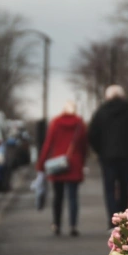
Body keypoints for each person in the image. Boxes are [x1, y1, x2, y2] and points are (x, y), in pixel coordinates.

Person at [88, 84, 128, 227]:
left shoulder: (101, 112)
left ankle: (113, 220)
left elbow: (92, 134)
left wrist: (100, 151)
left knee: (110, 189)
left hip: (107, 156)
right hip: (127, 155)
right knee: (125, 187)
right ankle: (124, 219)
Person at [36, 100, 87, 236]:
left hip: (57, 164)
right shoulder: (80, 123)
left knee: (57, 197)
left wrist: (41, 165)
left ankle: (57, 224)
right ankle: (73, 225)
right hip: (74, 163)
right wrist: (82, 162)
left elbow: (48, 144)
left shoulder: (56, 122)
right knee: (73, 197)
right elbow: (83, 145)